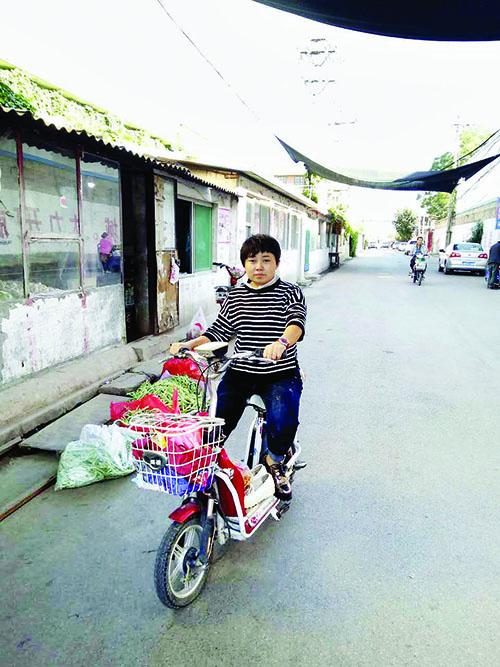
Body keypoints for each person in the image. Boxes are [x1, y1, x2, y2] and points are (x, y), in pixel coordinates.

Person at [169, 234, 306, 501]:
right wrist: (189, 344)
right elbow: (218, 330)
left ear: (277, 263)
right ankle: (207, 465)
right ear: (244, 264)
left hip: (280, 373)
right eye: (252, 261)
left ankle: (275, 461)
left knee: (283, 419)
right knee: (216, 422)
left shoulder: (290, 291)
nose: (259, 266)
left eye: (266, 260)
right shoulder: (236, 296)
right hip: (240, 372)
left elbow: (296, 323)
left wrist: (281, 343)